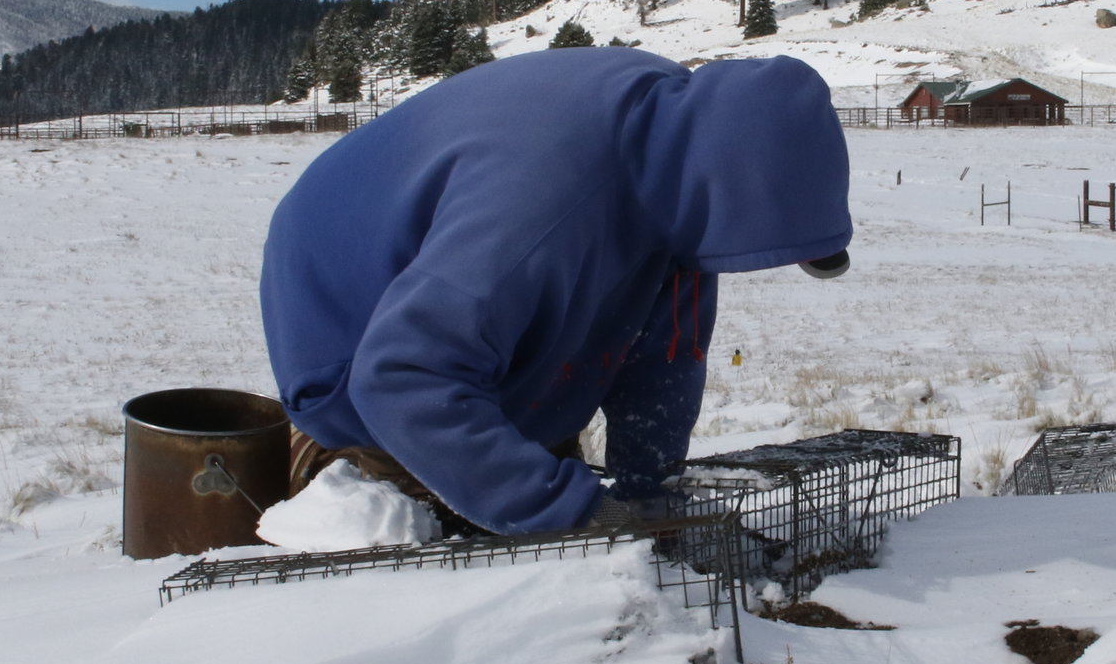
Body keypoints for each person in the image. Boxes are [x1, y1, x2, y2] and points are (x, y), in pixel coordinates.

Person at [260, 46, 851, 535]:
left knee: (559, 513)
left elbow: (664, 352)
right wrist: (578, 513)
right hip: (354, 347)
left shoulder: (680, 151)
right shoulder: (546, 201)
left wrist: (651, 489)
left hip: (472, 331)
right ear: (724, 185)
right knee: (485, 556)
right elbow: (401, 377)